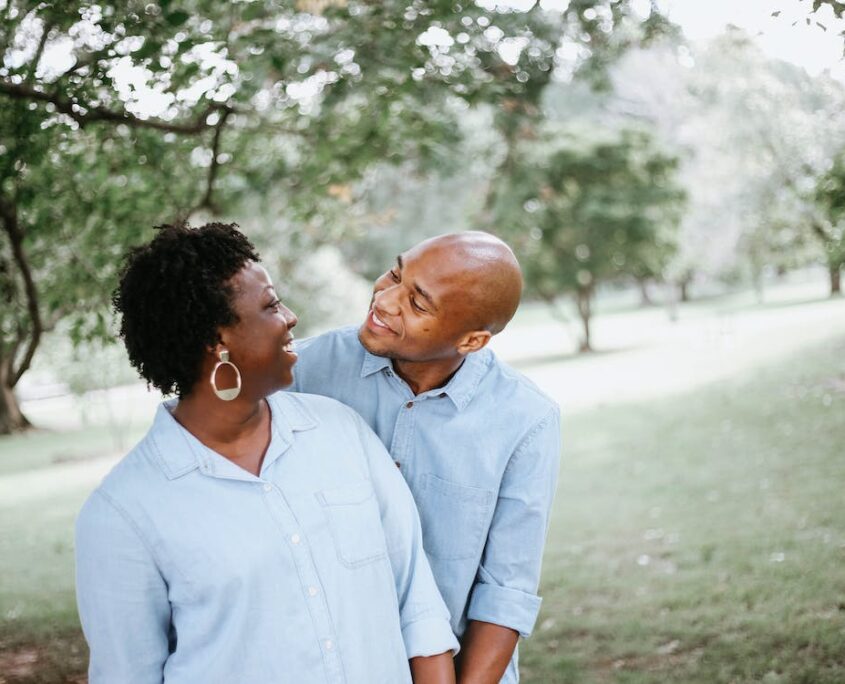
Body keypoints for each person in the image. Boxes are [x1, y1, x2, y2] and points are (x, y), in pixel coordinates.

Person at [75, 222, 458, 684]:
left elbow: (418, 609)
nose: (291, 316)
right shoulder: (123, 514)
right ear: (218, 343)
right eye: (271, 304)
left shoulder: (341, 432)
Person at [291, 231, 561, 683]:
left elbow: (505, 591)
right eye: (396, 274)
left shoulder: (527, 420)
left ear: (472, 341)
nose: (385, 299)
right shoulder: (301, 373)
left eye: (417, 304)